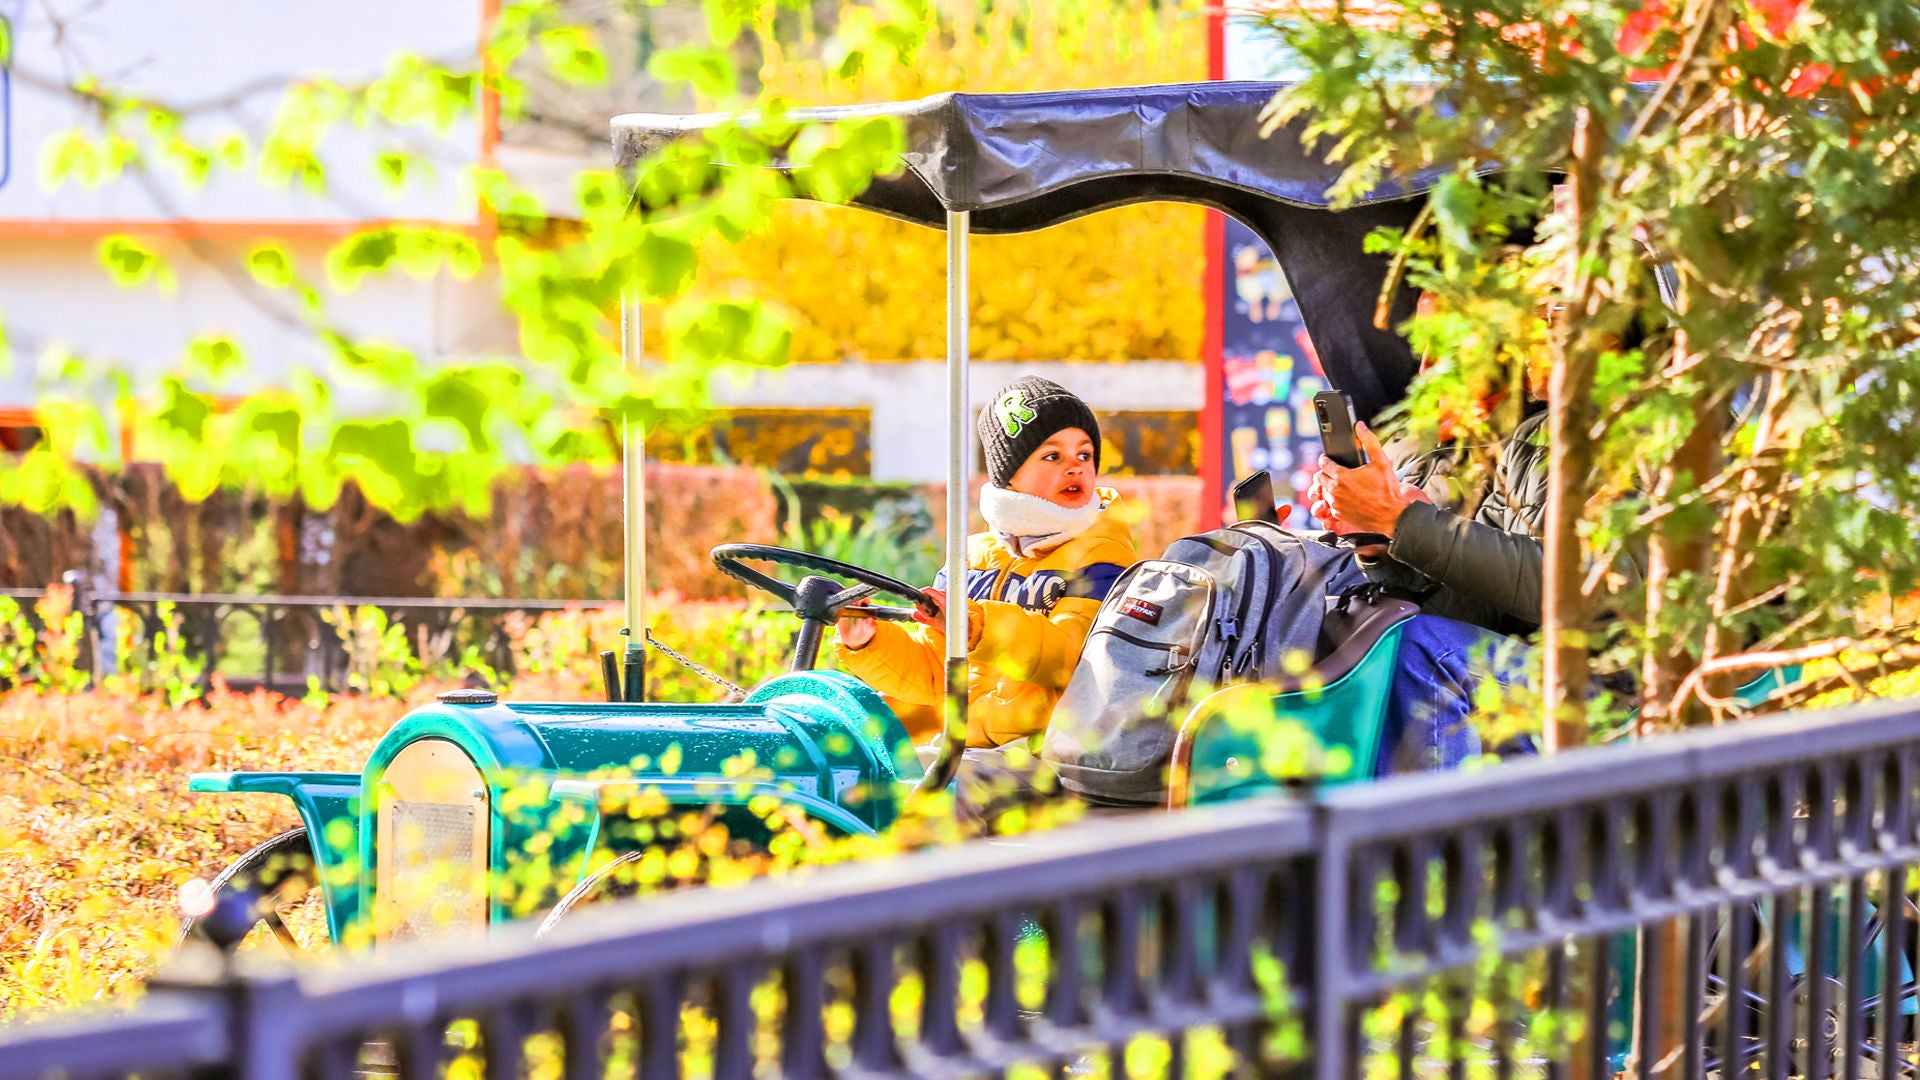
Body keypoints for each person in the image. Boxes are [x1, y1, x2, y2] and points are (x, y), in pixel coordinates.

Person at [1306, 333, 1568, 774]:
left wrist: (1407, 523)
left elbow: (1570, 592)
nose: (1426, 360)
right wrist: (1376, 545)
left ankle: (1417, 837)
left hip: (1600, 682)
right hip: (1510, 656)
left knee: (1417, 649)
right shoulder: (1524, 440)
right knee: (1337, 628)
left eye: (1448, 333)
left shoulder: (1627, 435)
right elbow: (1480, 611)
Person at [835, 377, 1139, 749]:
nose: (1075, 468)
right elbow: (933, 672)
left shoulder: (1102, 555)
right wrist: (868, 641)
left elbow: (1070, 656)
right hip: (962, 747)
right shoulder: (971, 556)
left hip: (1046, 753)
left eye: (1084, 455)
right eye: (1052, 456)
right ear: (1008, 475)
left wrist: (974, 625)